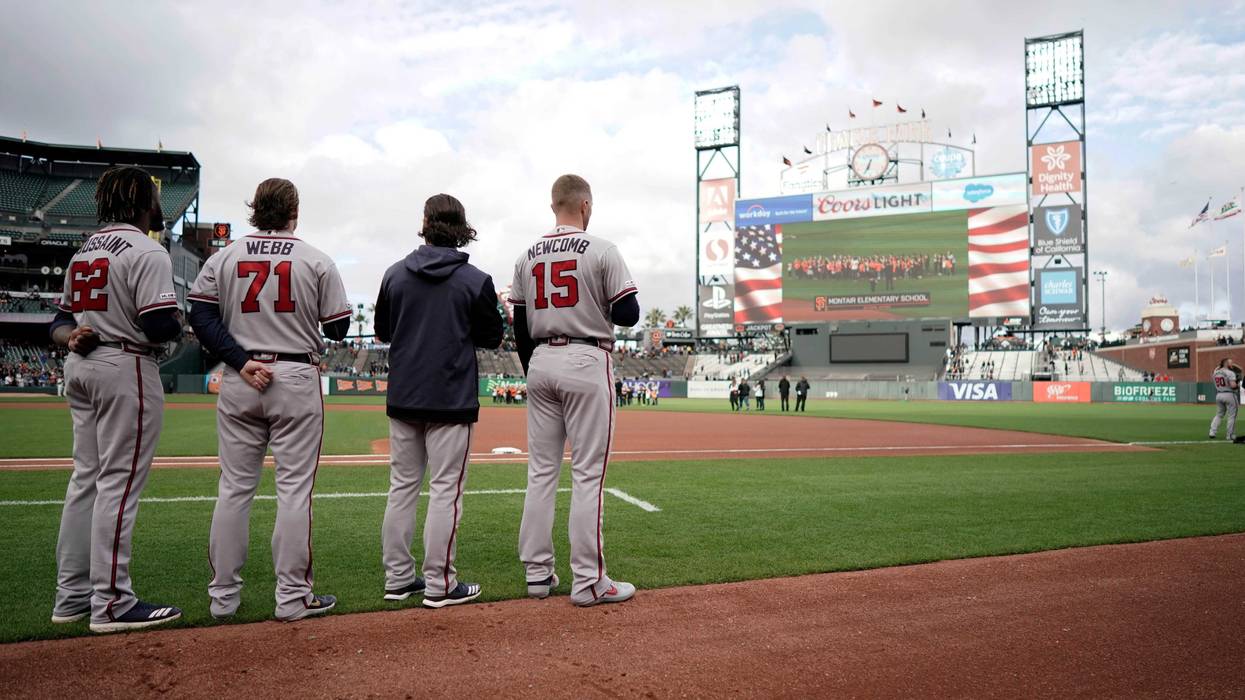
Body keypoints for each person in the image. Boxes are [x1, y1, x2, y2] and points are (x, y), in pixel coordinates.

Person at [188, 178, 351, 621]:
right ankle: (292, 598)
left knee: (234, 490)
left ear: (254, 210)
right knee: (294, 492)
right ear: (294, 211)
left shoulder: (225, 255)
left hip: (241, 375)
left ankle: (223, 598)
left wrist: (240, 360)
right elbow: (338, 327)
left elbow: (199, 314)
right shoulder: (315, 258)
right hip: (295, 375)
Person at [49, 166, 184, 633]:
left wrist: (72, 336)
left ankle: (71, 597)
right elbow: (158, 323)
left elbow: (59, 323)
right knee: (117, 485)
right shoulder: (147, 250)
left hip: (82, 365)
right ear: (146, 202)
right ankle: (111, 602)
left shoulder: (84, 249)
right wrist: (180, 322)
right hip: (124, 364)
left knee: (85, 480)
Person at [510, 174, 640, 606]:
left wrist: (539, 366)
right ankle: (588, 582)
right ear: (585, 205)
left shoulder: (527, 254)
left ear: (554, 207)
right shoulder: (602, 249)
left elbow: (519, 324)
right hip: (586, 358)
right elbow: (628, 313)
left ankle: (537, 574)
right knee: (587, 475)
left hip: (541, 360)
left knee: (540, 473)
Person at [373, 194, 504, 608]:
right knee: (446, 490)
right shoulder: (476, 280)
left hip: (405, 393)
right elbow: (491, 337)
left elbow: (382, 331)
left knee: (402, 488)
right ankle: (440, 583)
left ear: (425, 222)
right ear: (462, 227)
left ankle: (397, 578)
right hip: (450, 396)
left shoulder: (394, 274)